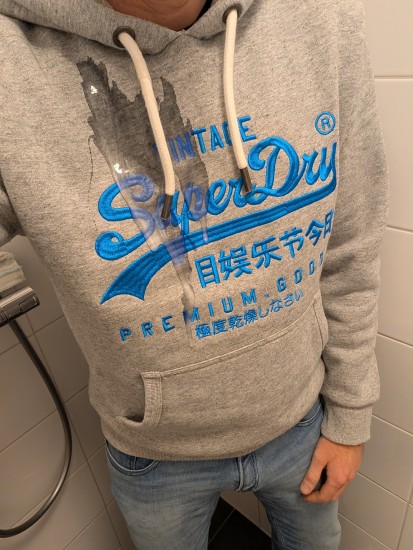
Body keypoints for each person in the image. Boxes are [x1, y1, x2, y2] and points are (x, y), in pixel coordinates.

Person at [0, 0, 389, 548]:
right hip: (155, 455)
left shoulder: (323, 18)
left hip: (301, 418)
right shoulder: (11, 59)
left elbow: (352, 243)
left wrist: (350, 415)